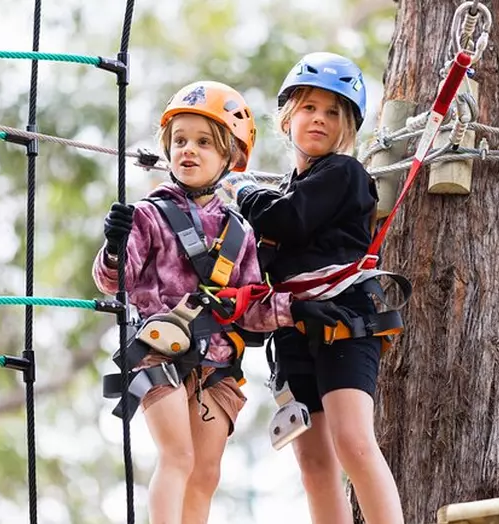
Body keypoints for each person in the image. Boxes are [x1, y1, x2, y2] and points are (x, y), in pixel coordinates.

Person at [92, 80, 295, 524]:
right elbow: (115, 281)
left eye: (204, 142)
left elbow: (253, 307)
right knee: (178, 457)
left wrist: (295, 309)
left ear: (230, 157)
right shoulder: (148, 215)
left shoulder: (239, 232)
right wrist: (113, 244)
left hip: (218, 363)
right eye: (179, 140)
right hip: (159, 350)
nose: (188, 150)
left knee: (205, 474)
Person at [219, 52, 406, 524]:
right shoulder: (285, 189)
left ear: (348, 127)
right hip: (294, 329)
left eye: (332, 112)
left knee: (354, 442)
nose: (319, 119)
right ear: (287, 118)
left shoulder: (343, 174)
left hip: (344, 318)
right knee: (314, 463)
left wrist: (242, 189)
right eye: (308, 108)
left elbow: (291, 219)